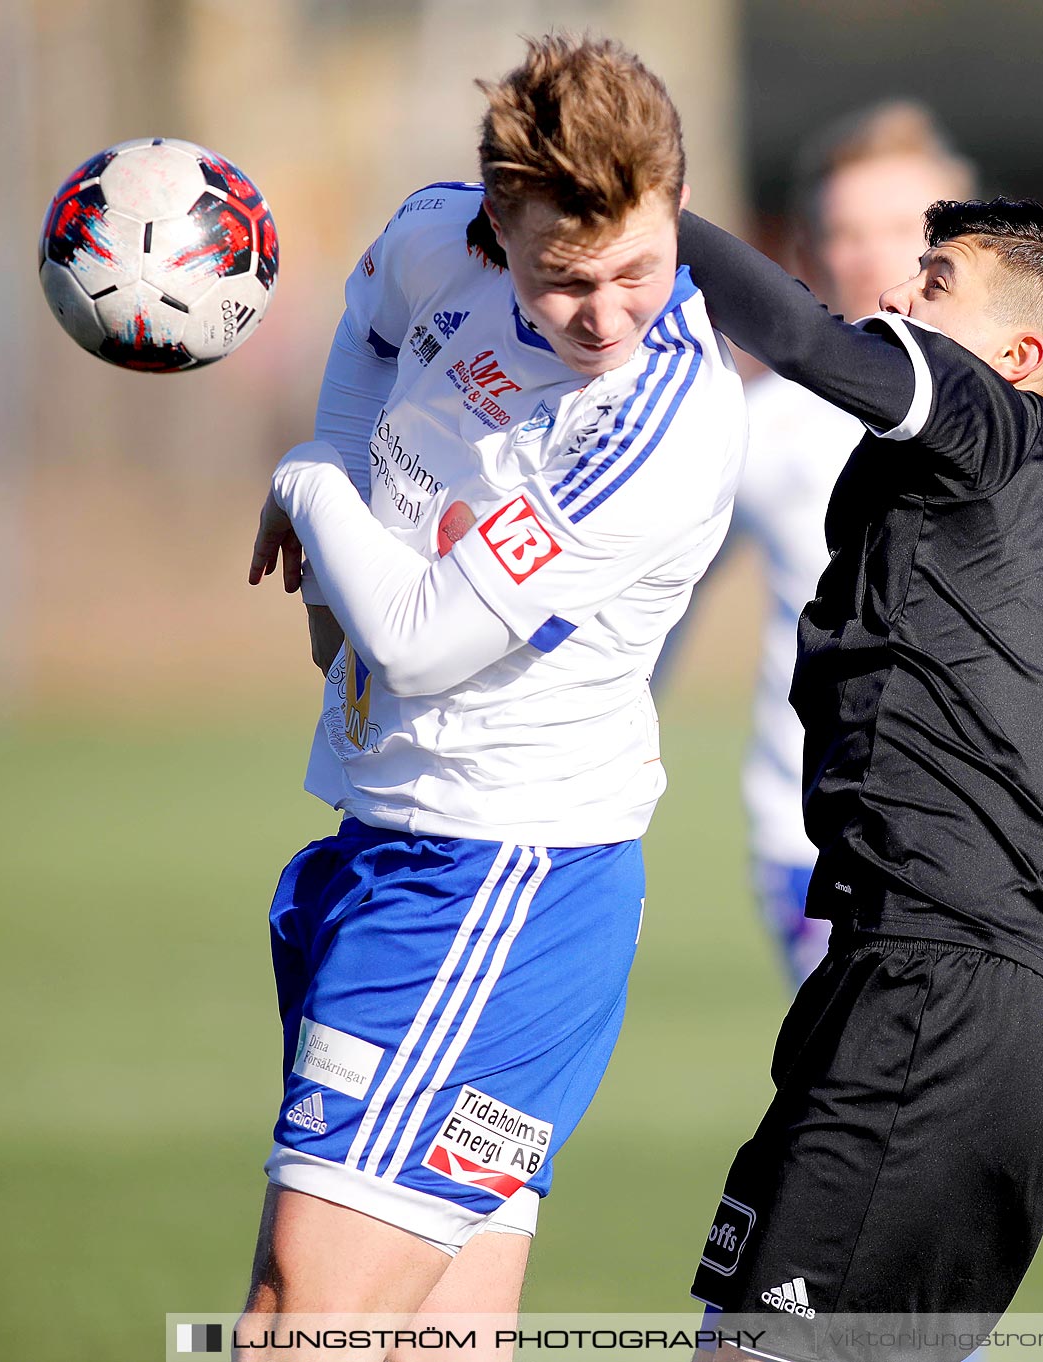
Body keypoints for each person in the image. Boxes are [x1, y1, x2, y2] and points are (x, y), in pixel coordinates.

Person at [238, 34, 746, 1334]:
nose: (609, 314)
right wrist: (328, 559)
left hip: (491, 881)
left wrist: (307, 483)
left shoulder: (656, 429)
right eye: (564, 279)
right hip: (410, 844)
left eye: (641, 266)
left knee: (303, 1324)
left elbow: (413, 640)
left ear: (676, 208)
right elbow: (367, 323)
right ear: (496, 226)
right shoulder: (434, 240)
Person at [677, 199, 1043, 1356]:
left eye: (934, 284)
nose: (898, 299)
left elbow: (807, 339)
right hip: (970, 998)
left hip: (933, 1000)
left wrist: (642, 205)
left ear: (1019, 357)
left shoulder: (989, 418)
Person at [733, 102, 1043, 987]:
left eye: (903, 232)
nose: (871, 258)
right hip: (813, 829)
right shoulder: (759, 425)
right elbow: (653, 606)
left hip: (991, 837)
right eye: (843, 231)